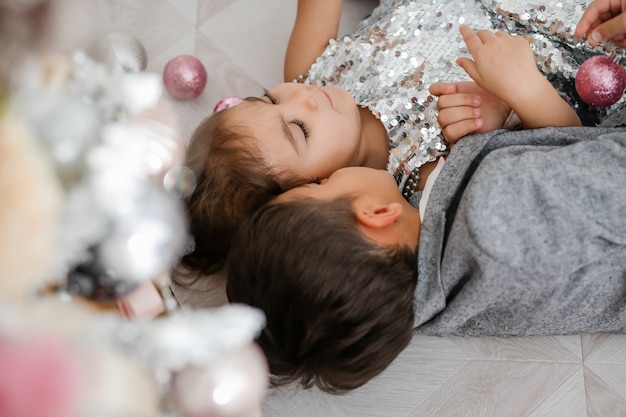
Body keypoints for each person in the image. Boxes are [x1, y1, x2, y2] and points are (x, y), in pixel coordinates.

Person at [178, 0, 614, 279]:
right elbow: (573, 154)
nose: (299, 96)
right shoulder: (426, 172)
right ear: (315, 196)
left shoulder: (311, 73)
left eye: (268, 98)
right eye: (298, 130)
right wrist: (524, 93)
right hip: (582, 32)